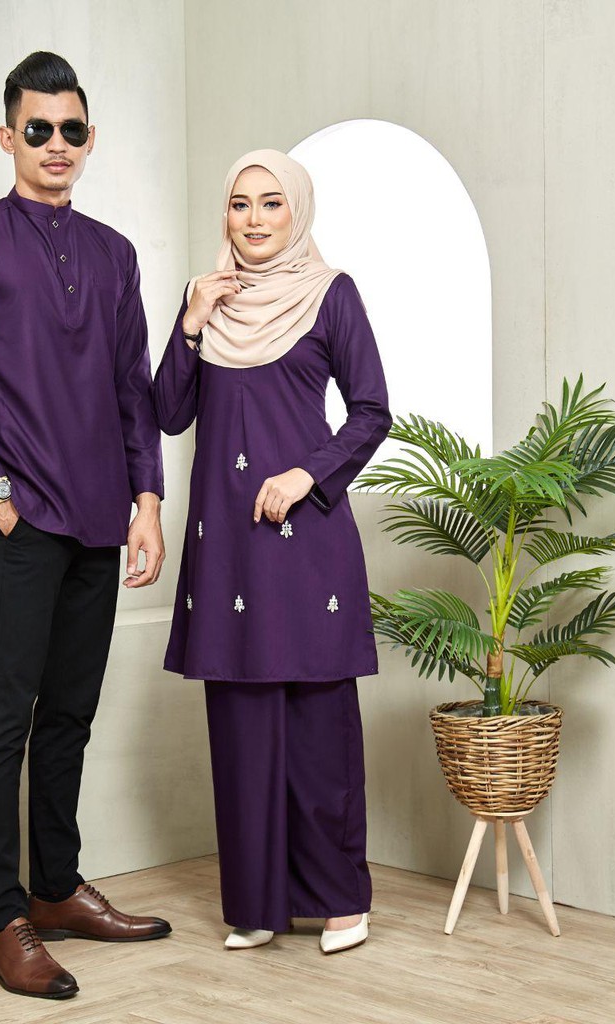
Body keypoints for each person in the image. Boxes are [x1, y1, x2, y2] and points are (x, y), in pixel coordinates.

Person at [0, 51, 171, 1001]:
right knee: (6, 715)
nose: (57, 144)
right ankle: (2, 920)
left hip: (103, 516)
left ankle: (56, 887)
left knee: (71, 713)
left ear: (90, 140)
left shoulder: (114, 254)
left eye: (72, 130)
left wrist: (147, 503)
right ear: (8, 136)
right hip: (22, 520)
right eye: (39, 128)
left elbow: (133, 387)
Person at [151, 149, 391, 954]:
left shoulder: (330, 294)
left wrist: (307, 473)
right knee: (241, 728)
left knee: (320, 727)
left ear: (298, 211)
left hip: (306, 538)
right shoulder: (207, 300)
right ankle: (257, 905)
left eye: (271, 203)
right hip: (227, 545)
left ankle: (341, 901)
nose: (253, 219)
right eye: (240, 204)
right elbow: (167, 412)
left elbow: (371, 411)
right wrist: (190, 322)